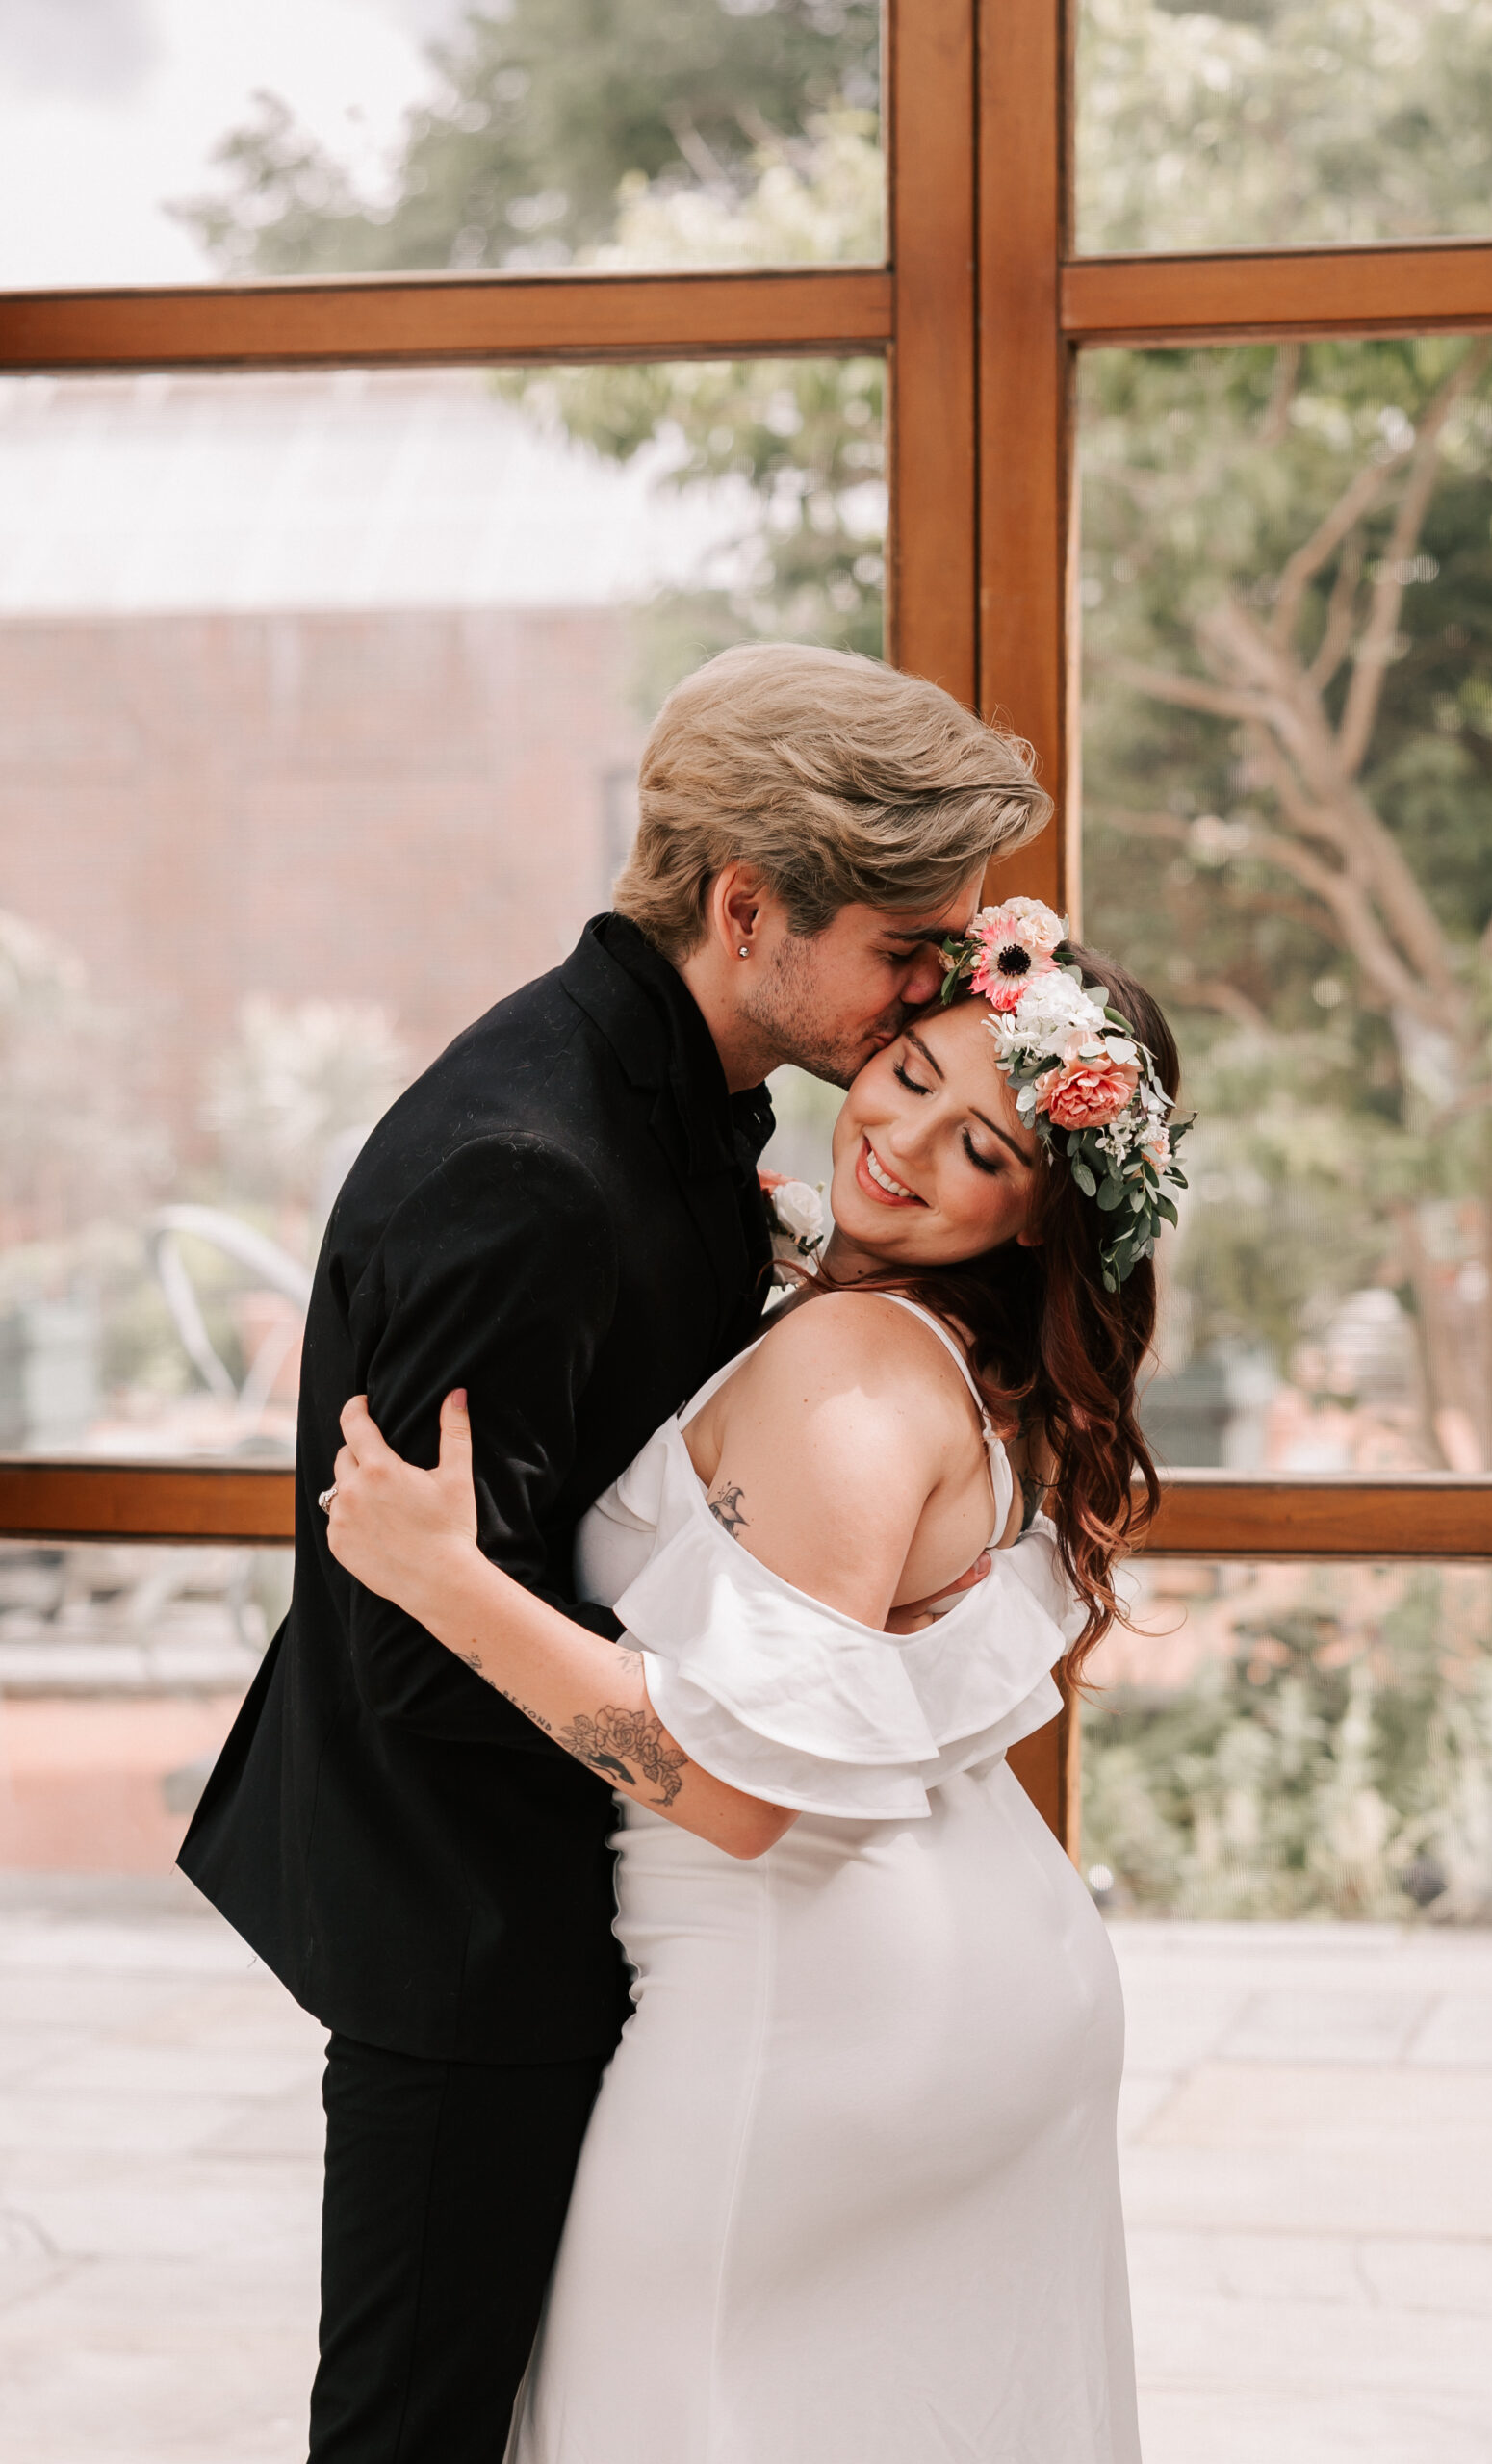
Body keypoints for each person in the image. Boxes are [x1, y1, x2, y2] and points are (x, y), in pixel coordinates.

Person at [176, 642, 1051, 2462]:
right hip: (472, 1935)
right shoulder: (528, 1165)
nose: (933, 992)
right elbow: (417, 1644)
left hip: (603, 1924)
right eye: (908, 950)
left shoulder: (694, 1109)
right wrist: (742, 1746)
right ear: (749, 910)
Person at [322, 905, 1190, 2464]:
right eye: (910, 1072)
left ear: (1044, 1218)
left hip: (810, 2002)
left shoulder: (855, 1373)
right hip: (963, 1966)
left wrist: (441, 1582)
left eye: (986, 1151)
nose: (909, 1141)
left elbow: (729, 1788)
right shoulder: (959, 1360)